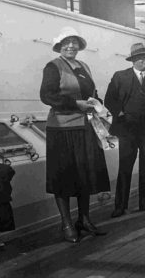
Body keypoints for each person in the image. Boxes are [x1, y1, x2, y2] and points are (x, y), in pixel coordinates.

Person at [40, 27, 110, 243]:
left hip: (85, 127)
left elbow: (92, 93)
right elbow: (46, 95)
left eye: (74, 42)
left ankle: (84, 220)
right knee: (63, 176)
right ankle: (67, 223)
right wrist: (75, 104)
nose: (71, 45)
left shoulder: (84, 66)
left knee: (85, 175)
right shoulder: (53, 66)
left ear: (79, 45)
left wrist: (96, 103)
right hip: (62, 129)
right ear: (59, 46)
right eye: (66, 42)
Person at [105, 41, 145, 218]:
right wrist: (120, 113)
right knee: (125, 168)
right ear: (134, 60)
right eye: (142, 57)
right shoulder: (120, 77)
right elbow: (109, 100)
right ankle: (120, 205)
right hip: (127, 131)